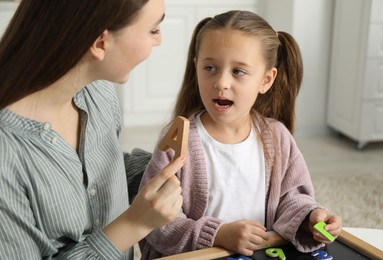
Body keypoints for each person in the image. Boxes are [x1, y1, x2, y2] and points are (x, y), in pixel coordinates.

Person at [138, 10, 342, 258]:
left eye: (238, 71)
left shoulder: (278, 138)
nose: (221, 82)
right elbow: (156, 224)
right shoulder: (177, 140)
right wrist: (219, 234)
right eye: (210, 67)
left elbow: (292, 200)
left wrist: (311, 217)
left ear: (266, 80)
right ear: (196, 68)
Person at [0, 0, 185, 259]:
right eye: (153, 30)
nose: (159, 40)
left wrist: (168, 166)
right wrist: (135, 224)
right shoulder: (6, 154)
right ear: (101, 43)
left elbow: (100, 173)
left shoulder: (97, 92)